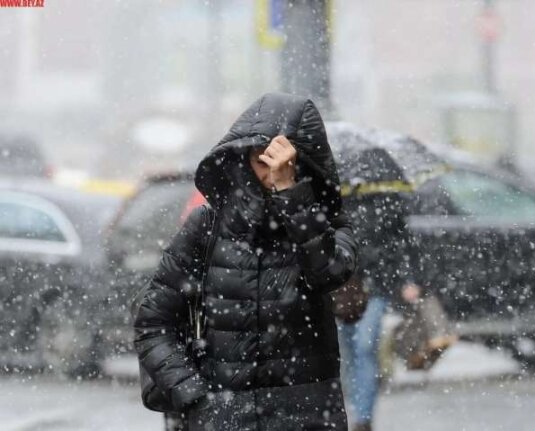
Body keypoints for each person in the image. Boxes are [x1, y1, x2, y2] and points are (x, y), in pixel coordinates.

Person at [134, 93, 358, 431]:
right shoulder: (207, 226)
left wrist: (291, 195)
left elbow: (328, 274)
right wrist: (195, 397)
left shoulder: (327, 224)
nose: (271, 173)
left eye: (283, 163)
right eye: (261, 161)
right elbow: (153, 321)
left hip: (308, 419)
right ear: (242, 161)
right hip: (224, 418)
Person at [337, 191, 454, 431]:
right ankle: (351, 412)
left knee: (364, 347)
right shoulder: (332, 198)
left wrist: (409, 278)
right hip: (341, 288)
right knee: (348, 352)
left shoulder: (385, 200)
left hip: (374, 286)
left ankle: (363, 418)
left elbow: (404, 241)